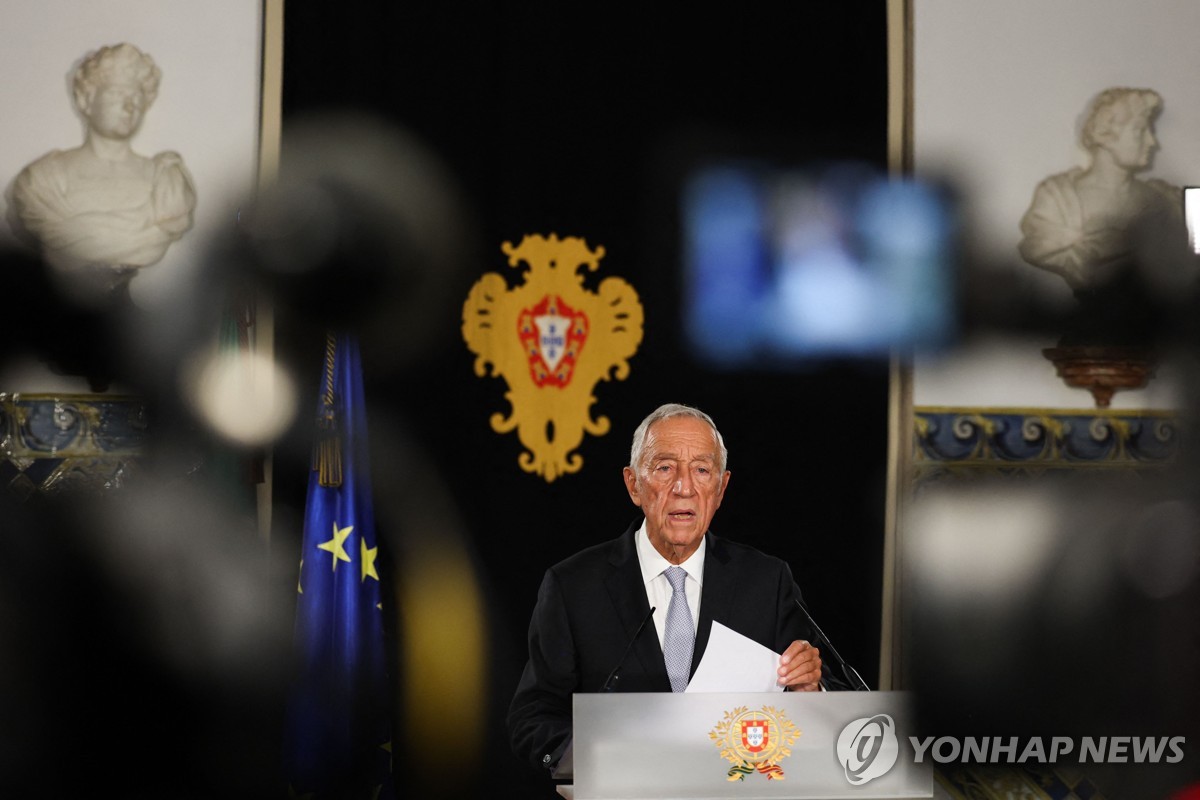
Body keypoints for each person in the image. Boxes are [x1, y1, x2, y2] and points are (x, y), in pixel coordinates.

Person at [507, 402, 849, 774]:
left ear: (720, 489)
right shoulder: (573, 586)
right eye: (665, 468)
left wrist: (810, 692)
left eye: (702, 470)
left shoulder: (766, 581)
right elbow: (533, 717)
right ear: (634, 484)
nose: (684, 487)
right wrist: (582, 761)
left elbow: (827, 701)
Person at [11, 42, 196, 301]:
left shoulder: (166, 180)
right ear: (86, 100)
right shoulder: (43, 180)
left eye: (136, 97)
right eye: (116, 94)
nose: (129, 106)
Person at [1018, 87, 1180, 293]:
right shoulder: (1056, 199)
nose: (1152, 141)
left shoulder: (1166, 200)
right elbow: (1038, 250)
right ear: (1106, 135)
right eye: (1140, 130)